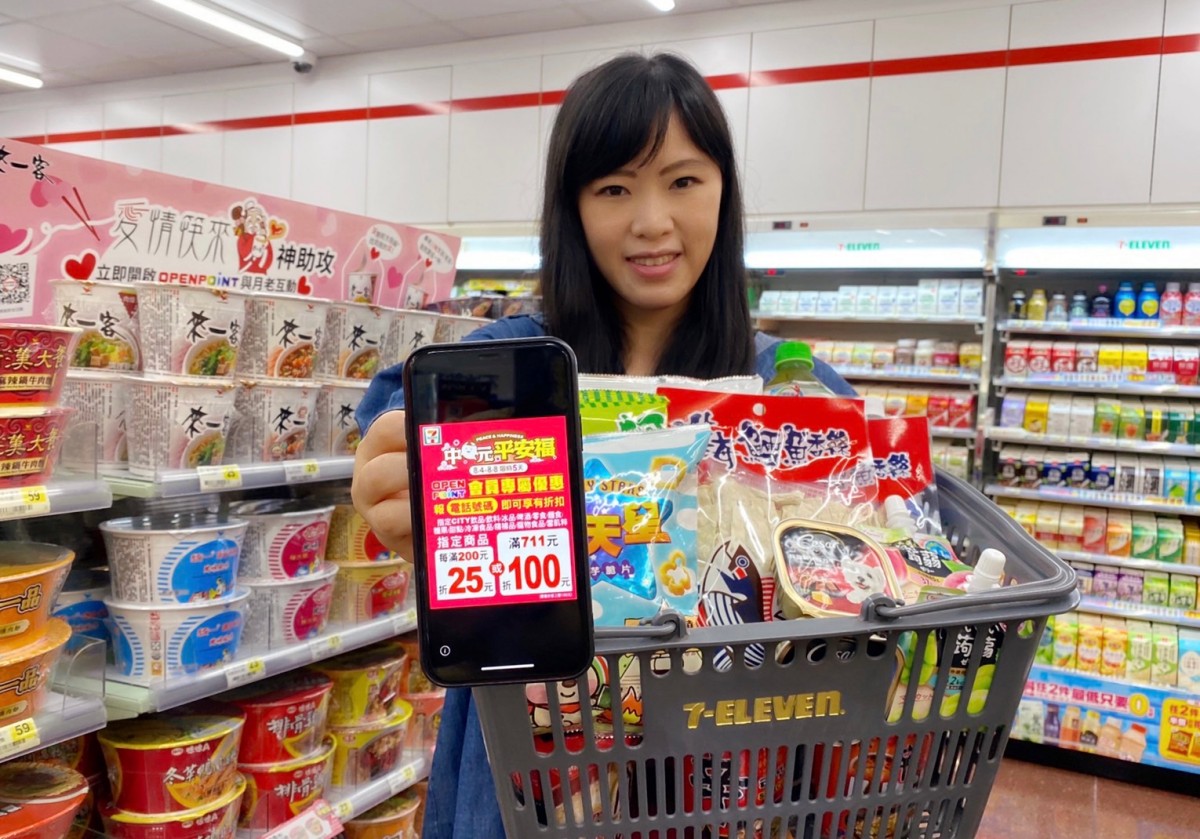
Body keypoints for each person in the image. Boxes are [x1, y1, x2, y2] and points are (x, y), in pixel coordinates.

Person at [352, 52, 855, 839]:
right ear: (573, 207)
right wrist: (398, 487)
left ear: (723, 192)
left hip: (726, 774)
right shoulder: (505, 369)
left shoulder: (790, 394)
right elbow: (390, 430)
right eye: (615, 188)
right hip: (529, 762)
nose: (651, 221)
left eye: (683, 181)